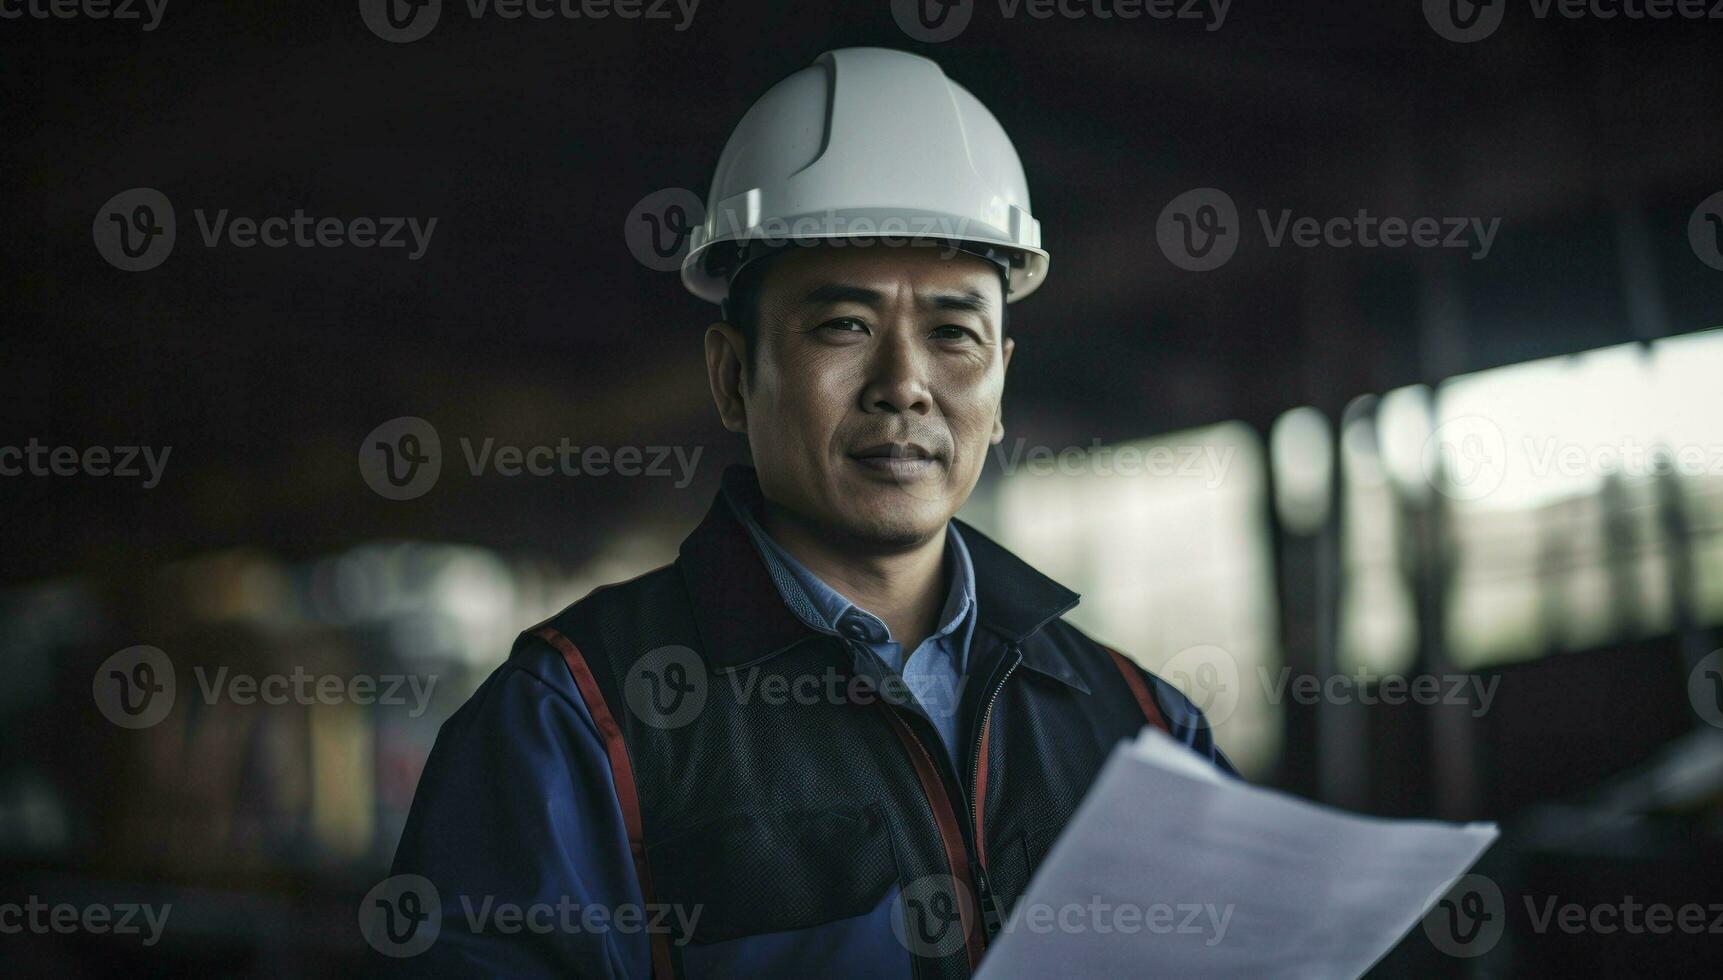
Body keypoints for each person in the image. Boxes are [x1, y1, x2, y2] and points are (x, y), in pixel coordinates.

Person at [390, 46, 1234, 979]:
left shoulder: (1144, 727)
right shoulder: (574, 723)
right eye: (844, 325)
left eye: (954, 334)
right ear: (730, 375)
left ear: (999, 389)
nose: (905, 386)